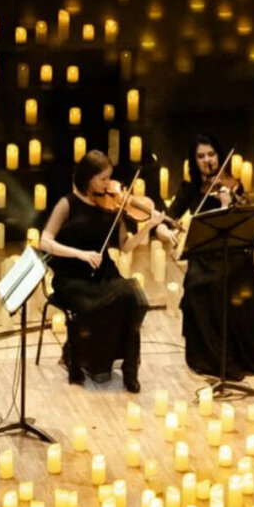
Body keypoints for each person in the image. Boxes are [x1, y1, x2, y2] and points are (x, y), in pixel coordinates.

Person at [161, 134, 254, 380]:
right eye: (201, 156)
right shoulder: (189, 189)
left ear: (219, 156)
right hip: (203, 256)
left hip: (231, 252)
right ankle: (215, 357)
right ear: (194, 161)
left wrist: (226, 203)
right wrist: (166, 231)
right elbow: (167, 219)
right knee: (202, 284)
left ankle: (247, 351)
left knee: (244, 277)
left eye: (211, 155)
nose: (208, 161)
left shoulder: (232, 185)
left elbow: (241, 218)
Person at [39, 150, 162, 392]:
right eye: (103, 179)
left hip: (103, 273)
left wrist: (148, 227)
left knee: (135, 299)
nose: (109, 185)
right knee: (112, 299)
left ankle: (130, 367)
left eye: (109, 178)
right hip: (71, 278)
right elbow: (45, 241)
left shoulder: (112, 206)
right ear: (88, 178)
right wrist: (80, 254)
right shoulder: (68, 204)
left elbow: (126, 247)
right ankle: (77, 353)